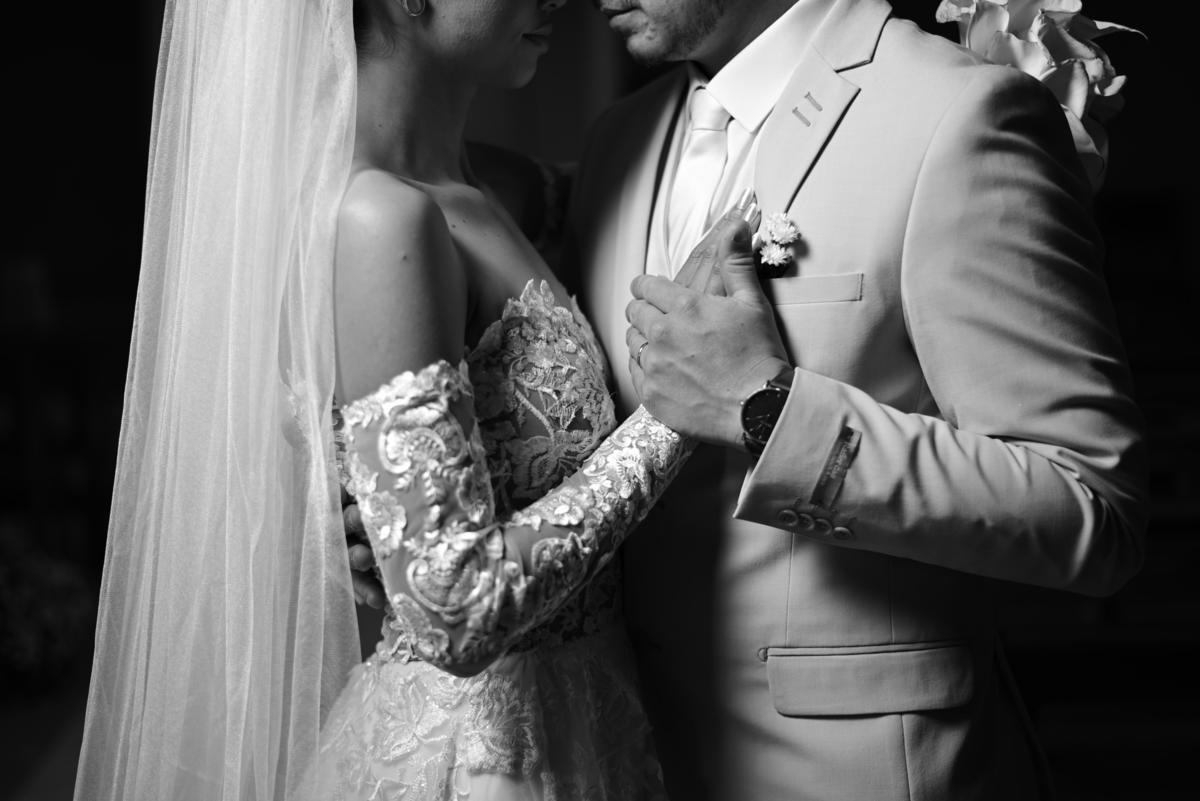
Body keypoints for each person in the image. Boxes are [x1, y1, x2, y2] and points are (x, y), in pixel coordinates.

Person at [75, 0, 754, 799]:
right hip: (482, 758)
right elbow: (453, 608)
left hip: (595, 726)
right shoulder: (378, 217)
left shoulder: (488, 186)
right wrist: (671, 414)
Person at [573, 0, 1147, 798]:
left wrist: (767, 409)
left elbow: (1091, 505)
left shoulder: (958, 112)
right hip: (629, 759)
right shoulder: (616, 139)